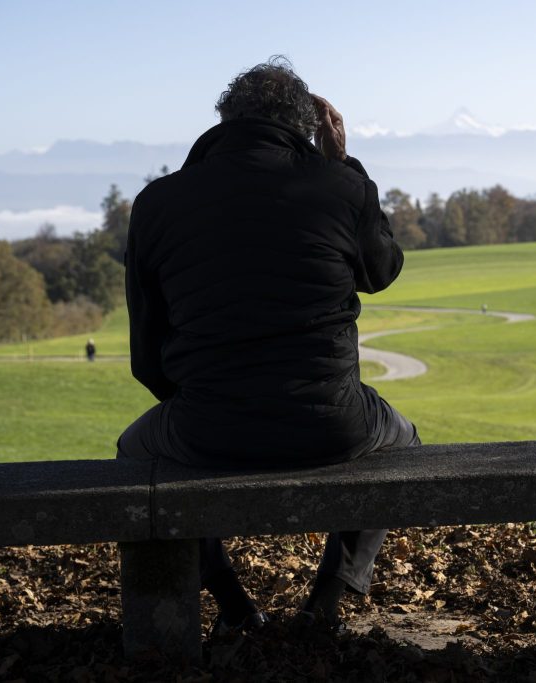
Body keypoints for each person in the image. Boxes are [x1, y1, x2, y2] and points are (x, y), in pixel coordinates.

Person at [116, 56, 419, 636]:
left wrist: (199, 402)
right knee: (404, 442)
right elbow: (380, 271)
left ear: (224, 121)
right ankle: (327, 599)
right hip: (336, 425)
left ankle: (233, 606)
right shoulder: (340, 186)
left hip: (206, 427)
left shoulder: (157, 204)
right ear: (308, 126)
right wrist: (345, 166)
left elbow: (146, 358)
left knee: (136, 451)